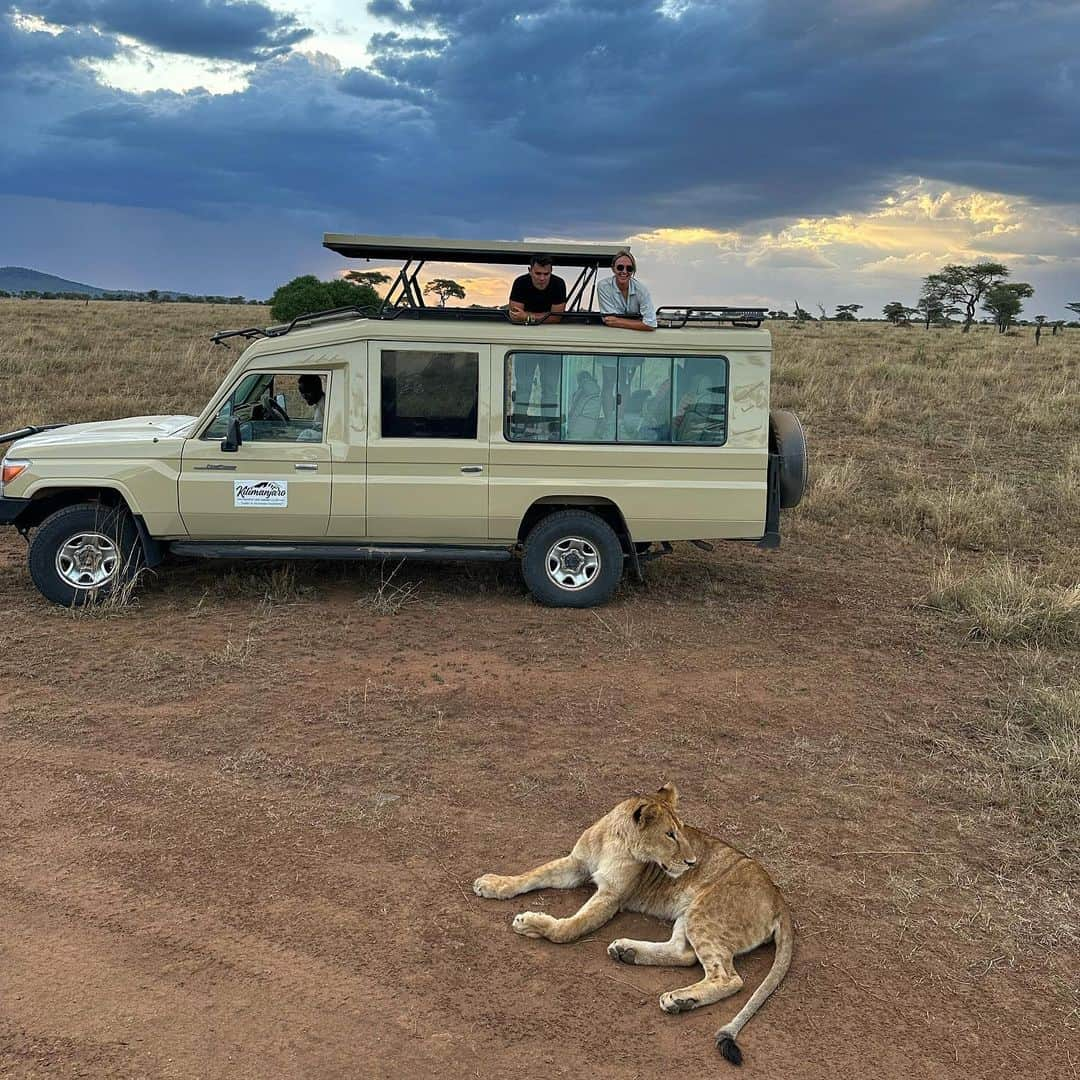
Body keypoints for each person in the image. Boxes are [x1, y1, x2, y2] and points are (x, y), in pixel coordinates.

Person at [597, 249, 656, 332]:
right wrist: (640, 322)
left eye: (629, 268)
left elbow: (651, 324)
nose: (624, 272)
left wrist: (617, 321)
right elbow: (609, 320)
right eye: (620, 267)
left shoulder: (642, 290)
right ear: (613, 268)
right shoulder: (603, 286)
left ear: (633, 271)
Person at [509, 254, 567, 326]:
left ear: (551, 271)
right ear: (530, 271)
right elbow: (515, 316)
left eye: (546, 274)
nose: (542, 278)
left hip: (551, 329)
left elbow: (556, 318)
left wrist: (526, 316)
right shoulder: (520, 282)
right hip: (522, 328)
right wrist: (546, 315)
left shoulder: (558, 284)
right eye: (538, 273)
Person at [297, 374, 325, 440]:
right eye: (301, 392)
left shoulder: (326, 407)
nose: (303, 396)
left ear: (316, 390)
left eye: (307, 391)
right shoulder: (318, 404)